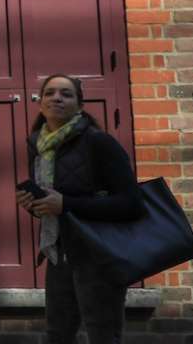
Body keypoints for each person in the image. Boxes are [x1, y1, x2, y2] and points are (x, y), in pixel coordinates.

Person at [15, 74, 142, 344]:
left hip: (98, 253)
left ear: (80, 104)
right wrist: (35, 206)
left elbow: (131, 203)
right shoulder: (38, 147)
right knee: (58, 335)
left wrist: (66, 204)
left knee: (103, 335)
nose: (56, 98)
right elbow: (53, 203)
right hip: (58, 252)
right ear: (40, 103)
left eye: (66, 94)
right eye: (49, 93)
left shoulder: (99, 143)